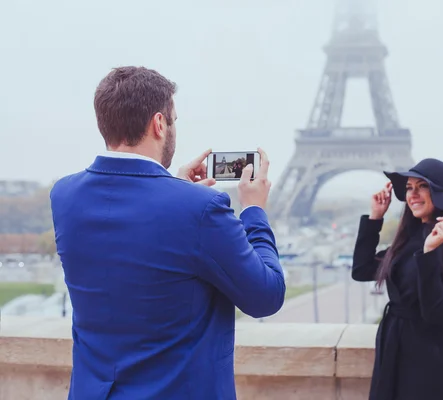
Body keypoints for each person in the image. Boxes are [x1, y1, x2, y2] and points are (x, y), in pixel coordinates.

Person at [50, 66, 286, 399]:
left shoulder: (64, 196)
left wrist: (176, 190)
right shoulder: (200, 209)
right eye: (174, 120)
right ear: (159, 124)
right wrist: (254, 211)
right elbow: (267, 296)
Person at [351, 158, 443, 400]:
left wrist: (430, 253)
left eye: (422, 186)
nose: (413, 194)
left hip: (433, 359)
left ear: (439, 192)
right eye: (409, 187)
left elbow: (435, 313)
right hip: (394, 348)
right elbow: (361, 270)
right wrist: (374, 219)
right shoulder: (407, 240)